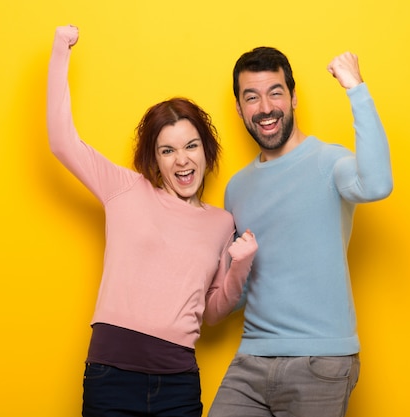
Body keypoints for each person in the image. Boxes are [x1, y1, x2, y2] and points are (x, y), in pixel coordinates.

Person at [47, 25, 258, 417]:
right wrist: (62, 49)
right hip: (110, 377)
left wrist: (240, 265)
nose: (182, 160)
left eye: (191, 146)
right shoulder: (125, 189)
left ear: (206, 151)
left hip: (177, 383)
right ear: (155, 159)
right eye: (168, 150)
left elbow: (212, 313)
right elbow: (62, 140)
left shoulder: (221, 222)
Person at [208, 47, 393, 417]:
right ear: (239, 109)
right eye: (251, 97)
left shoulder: (329, 162)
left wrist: (355, 87)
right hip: (251, 359)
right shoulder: (236, 188)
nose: (265, 107)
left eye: (275, 92)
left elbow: (377, 185)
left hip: (320, 360)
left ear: (293, 98)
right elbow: (240, 291)